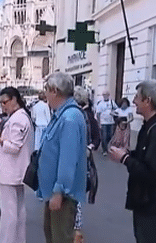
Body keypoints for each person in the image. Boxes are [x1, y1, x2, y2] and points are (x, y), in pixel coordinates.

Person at [109, 80, 156, 243]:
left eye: (137, 97)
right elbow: (147, 156)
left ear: (147, 101)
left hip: (150, 199)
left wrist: (125, 158)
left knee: (147, 238)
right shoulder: (150, 125)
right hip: (143, 198)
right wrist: (128, 154)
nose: (134, 101)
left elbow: (152, 172)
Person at [37, 73, 87, 243]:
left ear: (55, 91)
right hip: (54, 192)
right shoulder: (62, 115)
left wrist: (59, 191)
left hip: (62, 195)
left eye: (46, 91)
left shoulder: (69, 118)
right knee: (52, 235)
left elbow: (68, 160)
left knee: (60, 238)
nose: (45, 96)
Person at [0, 87, 34, 243]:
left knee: (9, 214)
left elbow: (14, 147)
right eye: (1, 103)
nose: (3, 106)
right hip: (15, 171)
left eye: (5, 102)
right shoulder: (21, 117)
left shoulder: (18, 119)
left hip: (10, 172)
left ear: (14, 99)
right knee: (17, 211)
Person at [73, 86, 101, 242]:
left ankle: (76, 225)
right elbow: (97, 139)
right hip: (84, 158)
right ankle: (76, 224)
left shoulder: (84, 115)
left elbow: (96, 138)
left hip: (80, 159)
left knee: (76, 190)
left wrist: (87, 148)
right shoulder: (88, 114)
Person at [96, 90, 118, 156]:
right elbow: (98, 114)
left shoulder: (112, 102)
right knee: (104, 136)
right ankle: (104, 150)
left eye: (106, 94)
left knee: (110, 135)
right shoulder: (100, 103)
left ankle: (107, 145)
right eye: (104, 95)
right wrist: (99, 123)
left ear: (108, 95)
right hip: (103, 122)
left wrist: (113, 112)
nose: (105, 96)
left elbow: (117, 109)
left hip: (111, 122)